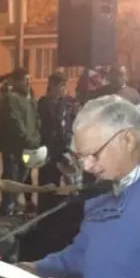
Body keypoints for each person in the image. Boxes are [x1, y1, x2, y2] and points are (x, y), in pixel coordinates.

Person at [24, 96, 140, 278]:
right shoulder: (108, 183)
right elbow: (85, 251)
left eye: (94, 154)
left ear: (128, 139)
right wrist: (37, 269)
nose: (87, 166)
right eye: (82, 157)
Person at [0, 68, 41, 216]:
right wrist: (28, 139)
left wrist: (36, 137)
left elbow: (36, 120)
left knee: (22, 178)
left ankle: (15, 206)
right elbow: (15, 123)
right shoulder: (10, 98)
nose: (28, 82)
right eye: (24, 80)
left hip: (28, 146)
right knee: (11, 178)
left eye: (29, 79)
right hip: (13, 147)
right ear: (15, 82)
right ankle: (7, 209)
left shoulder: (30, 97)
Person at [37, 72, 79, 211]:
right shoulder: (43, 103)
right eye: (62, 85)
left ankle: (58, 210)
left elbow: (72, 123)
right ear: (52, 85)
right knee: (46, 181)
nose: (64, 89)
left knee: (64, 182)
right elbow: (42, 124)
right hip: (47, 148)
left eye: (64, 85)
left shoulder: (68, 103)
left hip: (63, 149)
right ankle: (44, 210)